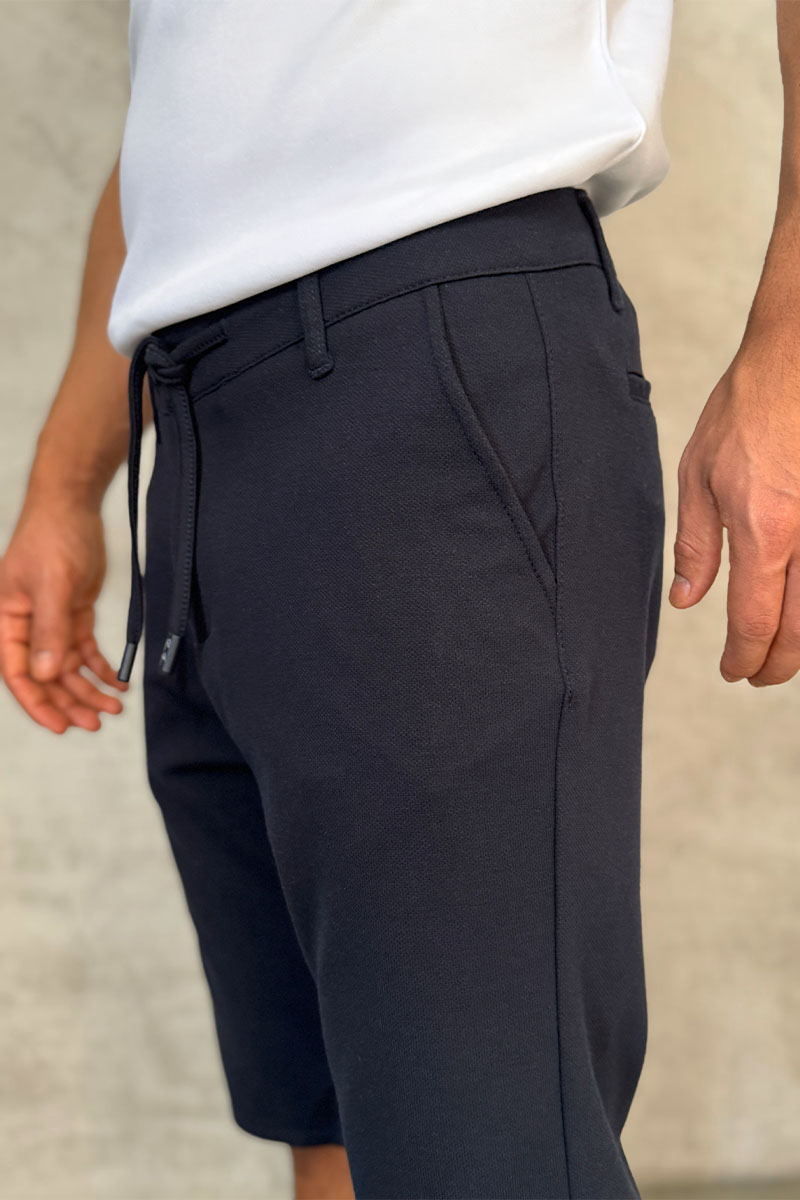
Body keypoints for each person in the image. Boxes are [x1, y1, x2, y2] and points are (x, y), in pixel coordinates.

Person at [3, 3, 800, 1197]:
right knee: (329, 1118)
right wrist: (68, 483)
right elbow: (192, 112)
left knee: (482, 1150)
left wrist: (789, 351)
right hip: (199, 422)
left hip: (432, 371)